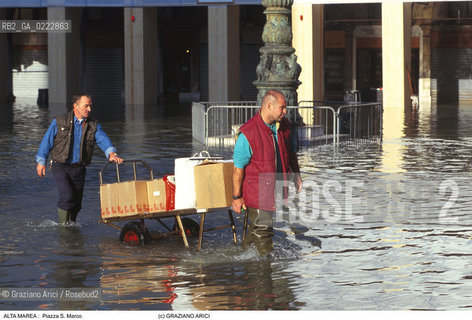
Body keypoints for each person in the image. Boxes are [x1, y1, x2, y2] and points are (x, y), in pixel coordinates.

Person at [232, 90, 303, 256]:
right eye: (282, 107)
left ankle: (245, 272)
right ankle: (265, 273)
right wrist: (236, 197)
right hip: (258, 193)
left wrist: (296, 175)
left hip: (276, 188)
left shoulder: (284, 126)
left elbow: (290, 152)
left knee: (255, 233)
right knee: (263, 233)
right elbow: (238, 169)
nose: (285, 111)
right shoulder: (248, 132)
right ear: (269, 106)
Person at [36, 93, 123, 224]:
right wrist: (41, 162)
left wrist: (111, 154)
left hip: (79, 168)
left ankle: (72, 226)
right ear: (75, 106)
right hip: (60, 166)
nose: (89, 109)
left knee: (77, 204)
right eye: (86, 106)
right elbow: (46, 142)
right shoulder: (59, 121)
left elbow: (103, 139)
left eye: (90, 106)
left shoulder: (93, 125)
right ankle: (64, 229)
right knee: (67, 196)